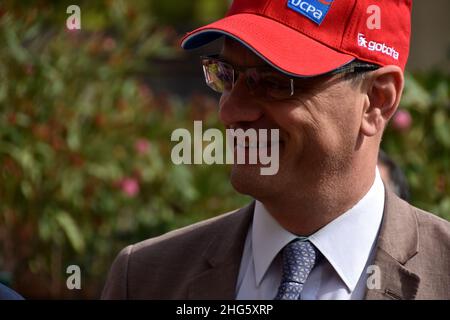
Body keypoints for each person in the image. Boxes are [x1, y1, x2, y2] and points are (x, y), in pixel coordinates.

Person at [102, 0, 450, 299]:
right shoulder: (146, 279)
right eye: (227, 74)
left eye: (274, 82)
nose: (230, 111)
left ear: (376, 101)